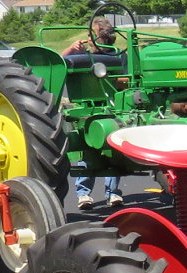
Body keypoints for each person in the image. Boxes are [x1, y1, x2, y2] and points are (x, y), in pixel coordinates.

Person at [62, 17, 123, 209]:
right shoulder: (82, 56)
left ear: (101, 37)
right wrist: (71, 50)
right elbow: (58, 65)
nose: (88, 39)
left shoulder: (117, 56)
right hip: (87, 107)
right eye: (89, 35)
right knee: (87, 151)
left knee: (113, 152)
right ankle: (83, 195)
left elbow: (125, 80)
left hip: (112, 105)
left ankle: (112, 193)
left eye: (92, 35)